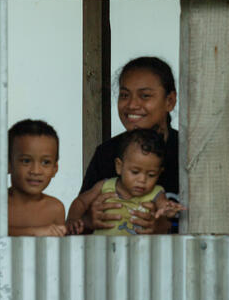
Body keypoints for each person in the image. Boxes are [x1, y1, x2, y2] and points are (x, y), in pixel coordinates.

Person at [67, 56, 181, 235]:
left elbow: (221, 227)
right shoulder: (107, 154)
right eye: (125, 95)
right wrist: (89, 220)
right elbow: (78, 223)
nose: (132, 105)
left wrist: (164, 228)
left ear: (170, 101)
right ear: (118, 165)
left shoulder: (189, 155)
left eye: (145, 95)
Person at [65, 128, 174, 235]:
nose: (142, 180)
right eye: (135, 172)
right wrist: (73, 218)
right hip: (103, 246)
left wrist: (169, 210)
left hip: (139, 246)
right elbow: (81, 202)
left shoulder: (157, 192)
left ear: (159, 173)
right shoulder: (105, 186)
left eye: (151, 175)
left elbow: (164, 208)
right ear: (119, 166)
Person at [7, 119, 67, 237]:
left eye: (45, 162)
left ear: (55, 168)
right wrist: (34, 232)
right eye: (26, 161)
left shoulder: (55, 209)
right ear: (8, 164)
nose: (35, 171)